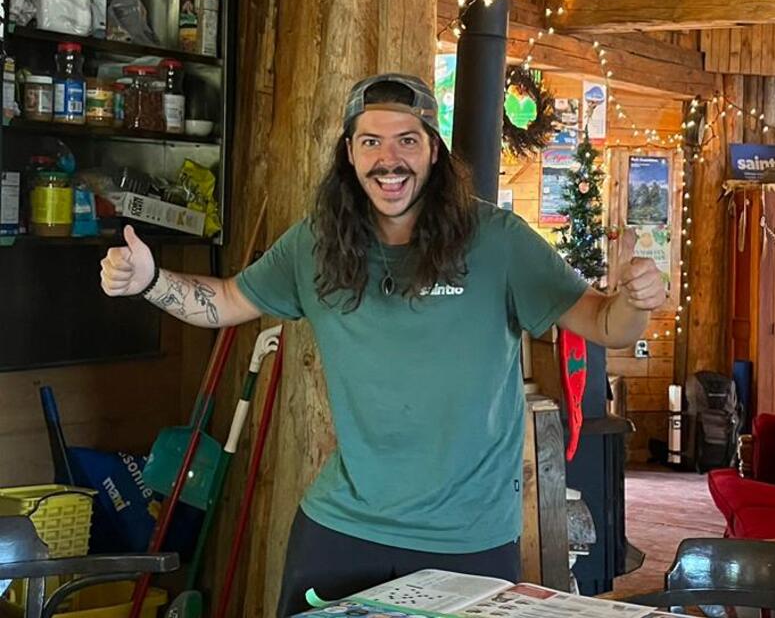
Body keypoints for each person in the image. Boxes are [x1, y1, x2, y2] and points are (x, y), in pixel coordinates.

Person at [100, 74, 665, 616]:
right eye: (371, 141)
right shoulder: (315, 243)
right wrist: (150, 280)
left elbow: (605, 324)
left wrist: (636, 300)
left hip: (467, 539)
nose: (388, 159)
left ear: (434, 151)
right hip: (341, 529)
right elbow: (227, 300)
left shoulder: (498, 241)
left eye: (407, 141)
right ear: (349, 153)